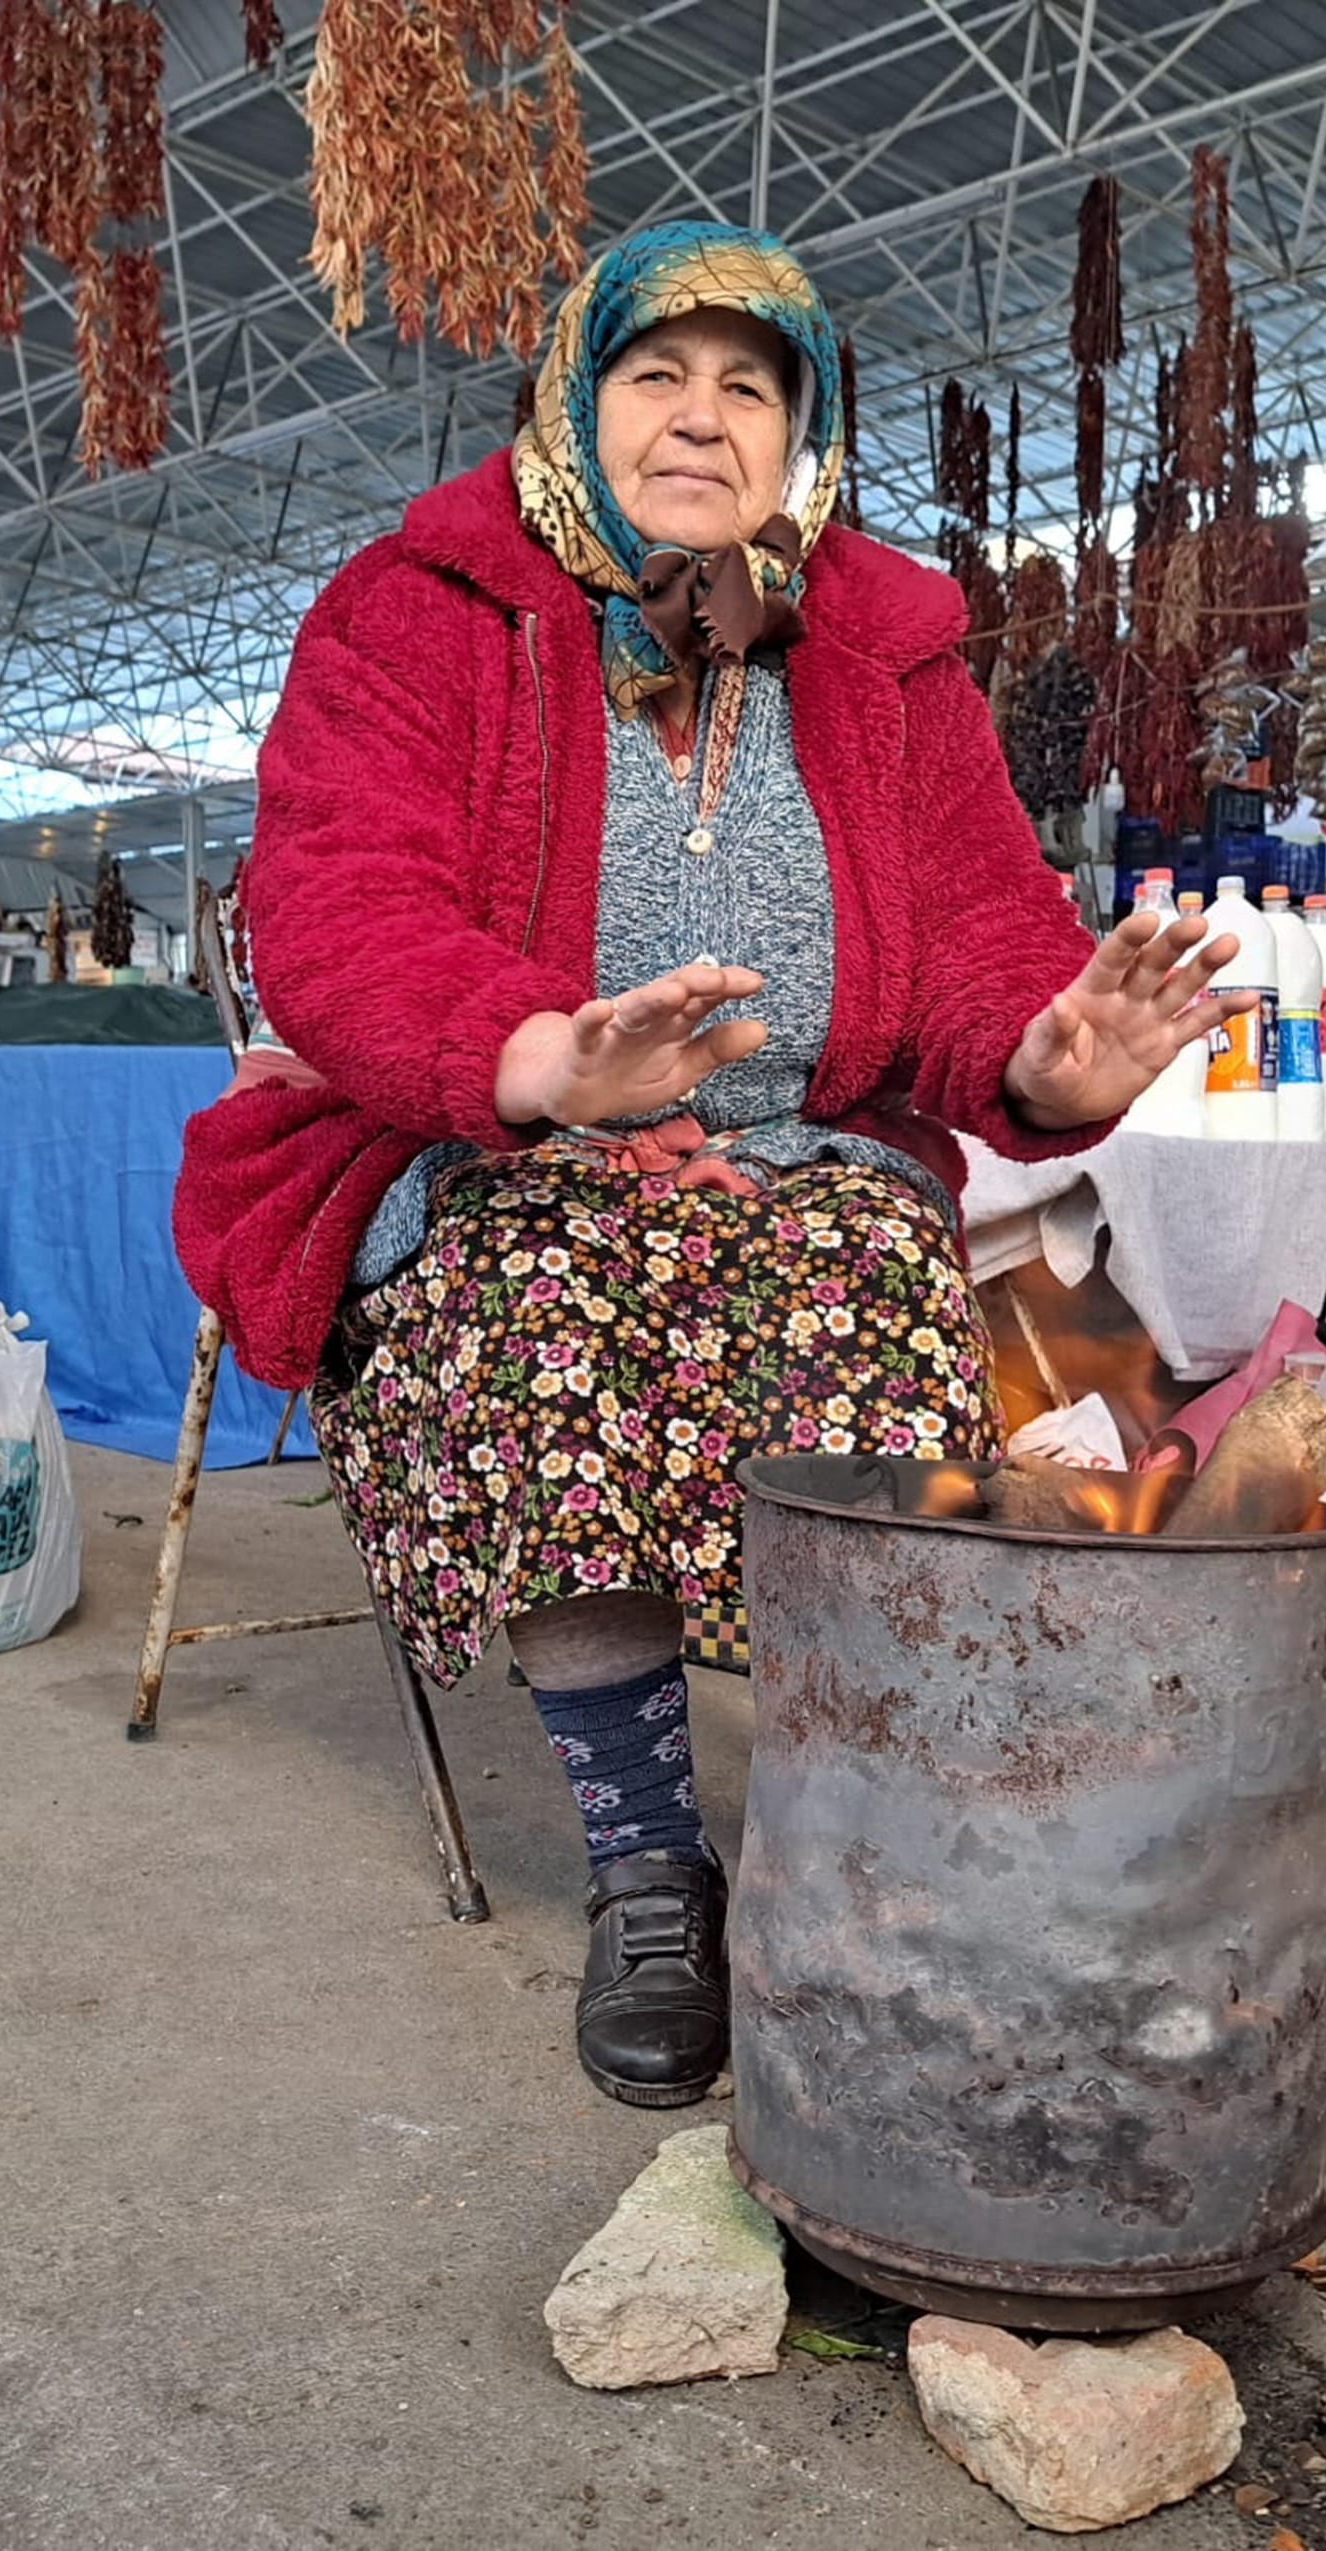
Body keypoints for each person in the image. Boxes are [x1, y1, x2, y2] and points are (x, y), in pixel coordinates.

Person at [174, 225, 1234, 2107]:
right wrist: (540, 1059)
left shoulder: (884, 657)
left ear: (799, 440)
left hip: (794, 1146)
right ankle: (650, 1862)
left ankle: (859, 1831)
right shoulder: (420, 608)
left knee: (869, 1275)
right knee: (559, 1292)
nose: (700, 415)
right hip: (484, 1132)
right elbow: (330, 906)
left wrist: (1043, 1049)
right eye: (657, 374)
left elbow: (987, 929)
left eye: (751, 385)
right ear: (574, 404)